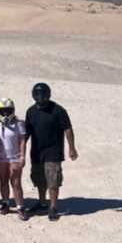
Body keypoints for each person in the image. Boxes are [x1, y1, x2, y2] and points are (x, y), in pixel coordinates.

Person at [25, 83, 77, 221]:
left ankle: (53, 207)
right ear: (33, 95)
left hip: (53, 151)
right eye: (37, 94)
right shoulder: (31, 111)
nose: (40, 97)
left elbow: (67, 129)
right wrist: (20, 149)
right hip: (37, 151)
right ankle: (42, 203)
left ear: (48, 94)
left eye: (43, 94)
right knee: (39, 179)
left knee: (53, 180)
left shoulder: (58, 110)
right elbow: (26, 132)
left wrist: (72, 148)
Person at [0, 98, 28, 220]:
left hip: (15, 157)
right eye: (2, 111)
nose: (5, 114)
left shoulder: (19, 124)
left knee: (16, 183)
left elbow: (22, 141)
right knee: (3, 181)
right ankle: (6, 204)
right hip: (0, 158)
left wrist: (22, 157)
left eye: (8, 111)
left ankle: (20, 207)